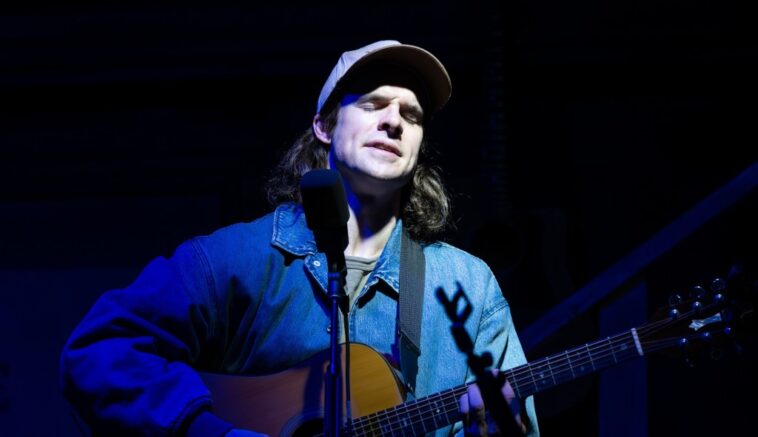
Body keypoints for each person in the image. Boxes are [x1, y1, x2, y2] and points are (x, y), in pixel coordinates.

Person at [60, 40, 539, 436]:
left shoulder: (468, 287)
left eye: (412, 116)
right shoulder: (238, 258)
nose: (394, 121)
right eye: (373, 104)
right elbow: (99, 352)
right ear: (324, 127)